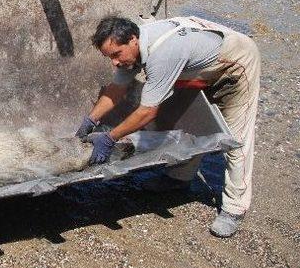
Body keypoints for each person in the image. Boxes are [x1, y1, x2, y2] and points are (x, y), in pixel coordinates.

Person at [76, 16, 260, 238]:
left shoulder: (162, 55)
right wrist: (90, 120)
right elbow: (116, 89)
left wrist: (110, 138)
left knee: (236, 138)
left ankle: (234, 209)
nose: (114, 62)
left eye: (116, 55)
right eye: (109, 57)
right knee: (192, 123)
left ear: (133, 40)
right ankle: (179, 178)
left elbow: (147, 111)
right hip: (197, 66)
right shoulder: (132, 50)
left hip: (235, 62)